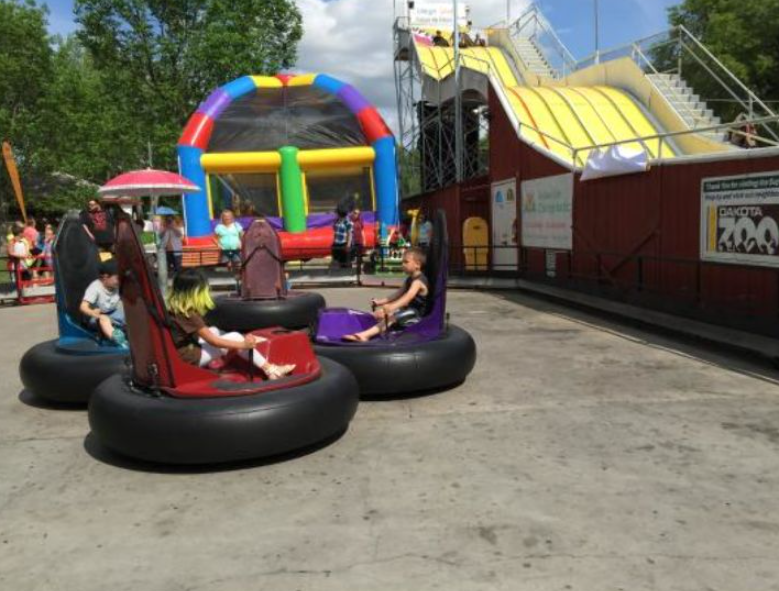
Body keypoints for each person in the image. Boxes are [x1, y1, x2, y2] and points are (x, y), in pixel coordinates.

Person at [167, 268, 294, 379]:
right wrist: (242, 345)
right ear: (196, 292)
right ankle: (271, 370)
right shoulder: (189, 315)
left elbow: (207, 334)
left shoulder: (175, 309)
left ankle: (231, 355)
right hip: (191, 358)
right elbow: (214, 342)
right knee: (235, 336)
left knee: (214, 330)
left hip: (183, 352)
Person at [343, 247, 429, 342]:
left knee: (391, 317)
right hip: (407, 310)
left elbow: (408, 297)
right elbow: (397, 294)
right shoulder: (409, 279)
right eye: (402, 262)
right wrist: (379, 302)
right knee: (379, 314)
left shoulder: (419, 281)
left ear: (417, 264)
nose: (402, 265)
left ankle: (364, 335)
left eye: (406, 262)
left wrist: (393, 306)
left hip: (416, 314)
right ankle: (357, 327)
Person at [79, 259, 127, 346]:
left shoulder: (117, 285)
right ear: (105, 277)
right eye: (117, 278)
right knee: (104, 319)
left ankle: (132, 336)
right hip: (97, 317)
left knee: (129, 317)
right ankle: (118, 339)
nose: (120, 281)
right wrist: (93, 313)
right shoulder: (95, 287)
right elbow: (83, 306)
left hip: (113, 313)